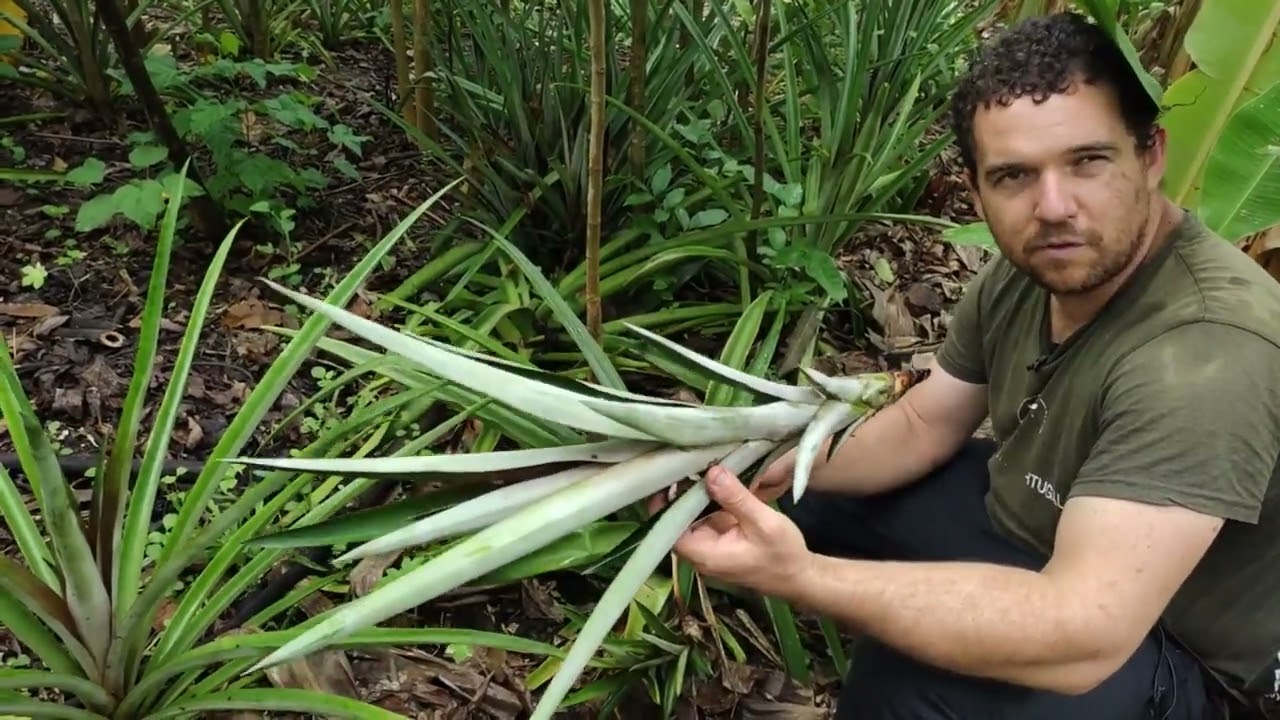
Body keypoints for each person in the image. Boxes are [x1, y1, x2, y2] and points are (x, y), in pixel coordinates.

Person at [650, 11, 1280, 720]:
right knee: (798, 488)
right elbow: (922, 423)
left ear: (1152, 155)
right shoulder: (1035, 268)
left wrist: (805, 578)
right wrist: (740, 469)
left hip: (1170, 648)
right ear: (977, 190)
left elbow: (1084, 634)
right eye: (1014, 176)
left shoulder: (1208, 352)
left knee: (914, 685)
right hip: (1041, 527)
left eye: (1087, 161)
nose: (1053, 207)